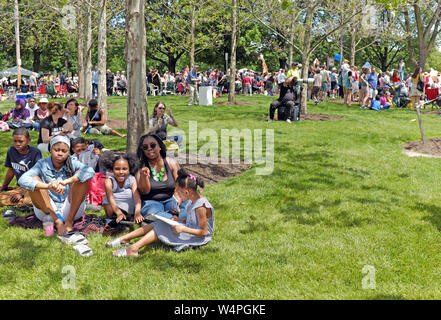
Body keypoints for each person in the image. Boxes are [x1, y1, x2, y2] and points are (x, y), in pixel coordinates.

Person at [110, 169, 214, 257]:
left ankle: (133, 249)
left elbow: (203, 232)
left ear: (186, 192)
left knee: (160, 227)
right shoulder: (193, 200)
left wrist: (183, 228)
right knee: (157, 223)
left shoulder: (201, 206)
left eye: (178, 192)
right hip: (189, 229)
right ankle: (125, 239)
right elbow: (194, 219)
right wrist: (181, 220)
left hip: (198, 237)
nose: (177, 195)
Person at [18, 136, 95, 235]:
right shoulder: (42, 163)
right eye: (56, 150)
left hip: (71, 209)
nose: (60, 153)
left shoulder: (72, 162)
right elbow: (22, 179)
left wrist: (68, 181)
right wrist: (47, 186)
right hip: (47, 211)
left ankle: (69, 222)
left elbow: (89, 171)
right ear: (50, 150)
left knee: (82, 178)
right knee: (34, 180)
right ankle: (58, 222)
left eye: (64, 151)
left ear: (68, 152)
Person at [133, 133, 189, 223]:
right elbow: (144, 191)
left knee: (186, 211)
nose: (149, 148)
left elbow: (180, 185)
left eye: (153, 145)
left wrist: (177, 198)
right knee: (153, 214)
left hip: (171, 199)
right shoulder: (141, 167)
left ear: (160, 146)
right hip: (151, 203)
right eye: (145, 147)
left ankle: (171, 220)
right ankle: (174, 221)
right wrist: (144, 176)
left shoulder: (171, 163)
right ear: (142, 150)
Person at [0, 128, 42, 207]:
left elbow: (37, 177)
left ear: (28, 140)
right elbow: (11, 171)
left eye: (21, 141)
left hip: (33, 187)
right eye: (15, 141)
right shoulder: (11, 150)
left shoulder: (35, 153)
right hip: (21, 187)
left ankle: (22, 201)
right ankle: (19, 200)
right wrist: (3, 187)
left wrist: (21, 193)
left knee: (28, 202)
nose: (17, 144)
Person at [100, 151, 142, 224]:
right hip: (113, 205)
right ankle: (112, 217)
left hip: (127, 204)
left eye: (124, 169)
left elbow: (137, 198)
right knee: (108, 204)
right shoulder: (109, 181)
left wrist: (137, 212)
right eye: (117, 169)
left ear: (129, 169)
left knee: (129, 193)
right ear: (112, 169)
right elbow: (111, 199)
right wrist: (118, 212)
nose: (121, 172)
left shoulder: (132, 179)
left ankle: (128, 215)